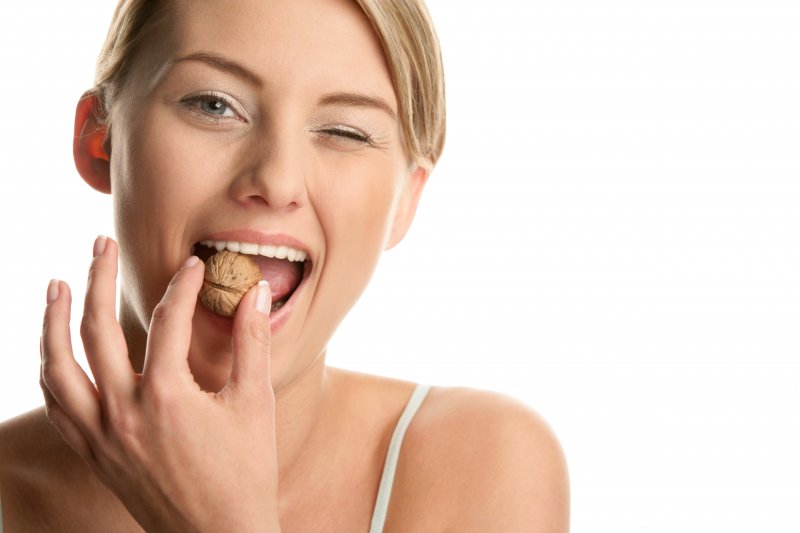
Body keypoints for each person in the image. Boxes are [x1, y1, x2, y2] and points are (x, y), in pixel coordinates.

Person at [0, 0, 569, 530]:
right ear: (98, 138)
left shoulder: (483, 467)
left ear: (406, 202)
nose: (276, 180)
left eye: (343, 131)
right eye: (214, 104)